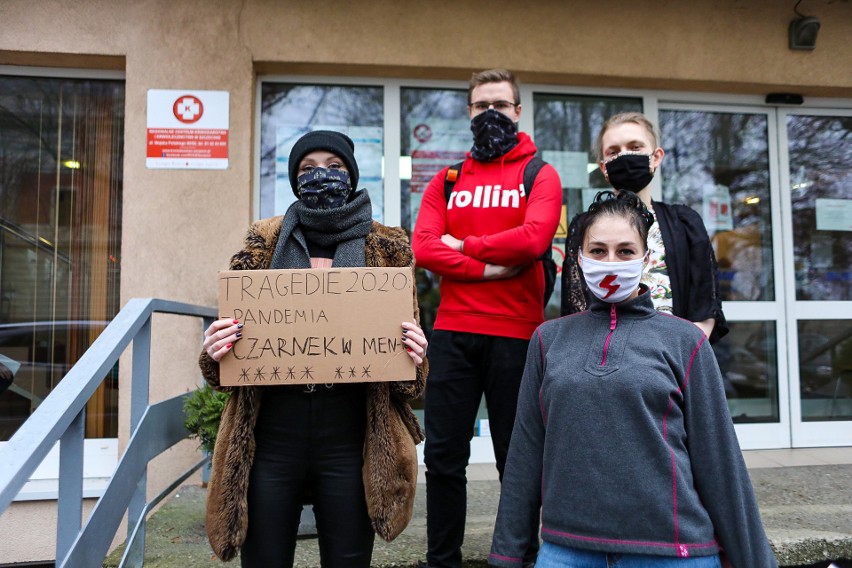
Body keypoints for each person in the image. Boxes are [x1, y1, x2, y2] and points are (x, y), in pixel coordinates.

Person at [489, 191, 777, 568]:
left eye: (625, 251)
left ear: (645, 259)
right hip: (566, 551)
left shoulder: (685, 340)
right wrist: (507, 554)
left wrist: (753, 561)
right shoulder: (548, 340)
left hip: (674, 553)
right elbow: (526, 454)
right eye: (598, 250)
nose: (611, 262)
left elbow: (720, 460)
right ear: (578, 258)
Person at [198, 130, 429, 568]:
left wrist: (414, 353)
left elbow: (409, 375)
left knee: (348, 558)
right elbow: (224, 361)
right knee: (264, 558)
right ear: (293, 179)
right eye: (308, 168)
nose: (322, 175)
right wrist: (215, 347)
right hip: (272, 432)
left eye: (335, 166)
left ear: (352, 174)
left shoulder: (388, 247)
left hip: (351, 431)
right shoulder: (262, 243)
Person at [412, 69, 562, 568]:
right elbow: (425, 248)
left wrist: (466, 246)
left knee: (515, 461)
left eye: (500, 103)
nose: (490, 113)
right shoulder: (448, 178)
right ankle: (442, 560)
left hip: (518, 338)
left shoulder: (540, 174)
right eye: (481, 105)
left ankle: (517, 557)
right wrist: (490, 267)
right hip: (453, 333)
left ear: (518, 112)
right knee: (443, 460)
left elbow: (536, 238)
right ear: (469, 112)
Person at [560, 112, 728, 343]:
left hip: (673, 361)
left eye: (635, 147)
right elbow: (576, 304)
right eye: (613, 151)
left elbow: (705, 305)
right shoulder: (584, 227)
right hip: (603, 357)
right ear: (604, 167)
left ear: (656, 157)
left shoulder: (684, 223)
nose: (625, 156)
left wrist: (682, 357)